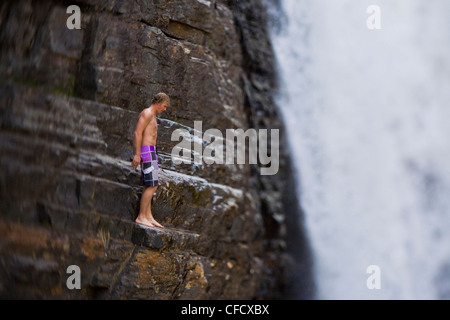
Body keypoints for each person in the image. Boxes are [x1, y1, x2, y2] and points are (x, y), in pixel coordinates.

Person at [131, 92, 170, 228]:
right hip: (146, 151)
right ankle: (141, 216)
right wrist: (137, 154)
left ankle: (148, 216)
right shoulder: (147, 113)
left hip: (151, 151)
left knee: (151, 184)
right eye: (164, 106)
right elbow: (137, 133)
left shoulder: (152, 115)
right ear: (158, 103)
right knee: (152, 185)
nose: (164, 109)